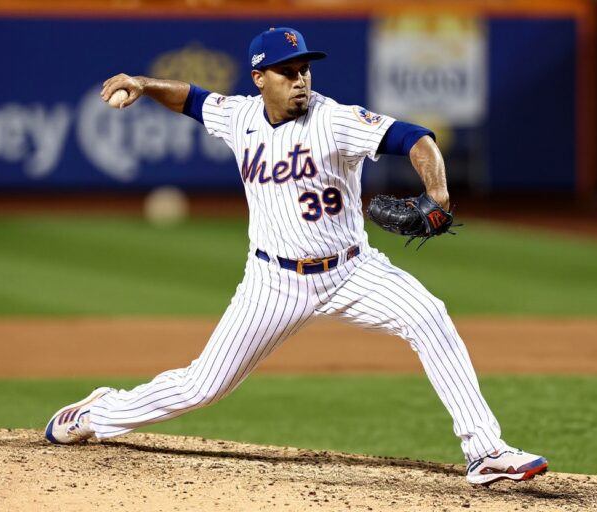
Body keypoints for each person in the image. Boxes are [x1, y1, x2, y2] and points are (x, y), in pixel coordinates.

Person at [45, 27, 548, 486]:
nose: (300, 79)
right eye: (286, 71)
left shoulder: (335, 120)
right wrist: (142, 83)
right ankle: (98, 413)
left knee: (429, 315)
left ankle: (485, 451)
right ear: (259, 78)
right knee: (203, 386)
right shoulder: (240, 116)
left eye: (304, 69)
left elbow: (415, 137)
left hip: (352, 270)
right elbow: (193, 99)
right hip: (273, 282)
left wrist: (436, 193)